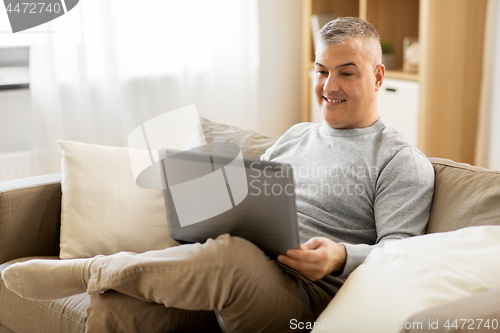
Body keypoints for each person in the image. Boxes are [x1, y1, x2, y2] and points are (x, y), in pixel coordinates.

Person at [2, 17, 434, 333]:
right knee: (122, 310)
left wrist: (338, 255)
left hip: (310, 298)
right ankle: (120, 279)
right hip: (245, 271)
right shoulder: (298, 136)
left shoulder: (400, 161)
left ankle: (96, 269)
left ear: (377, 77)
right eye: (322, 70)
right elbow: (254, 199)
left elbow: (403, 255)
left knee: (231, 256)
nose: (328, 85)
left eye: (346, 71)